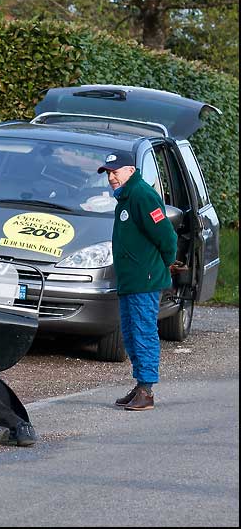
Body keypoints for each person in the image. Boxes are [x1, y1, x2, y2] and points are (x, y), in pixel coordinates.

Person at [98, 150, 178, 411]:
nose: (111, 177)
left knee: (143, 332)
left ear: (131, 170)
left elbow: (166, 236)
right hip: (130, 280)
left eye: (115, 172)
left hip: (144, 280)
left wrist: (162, 262)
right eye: (108, 173)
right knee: (131, 334)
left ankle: (147, 390)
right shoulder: (125, 197)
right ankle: (140, 384)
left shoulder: (142, 195)